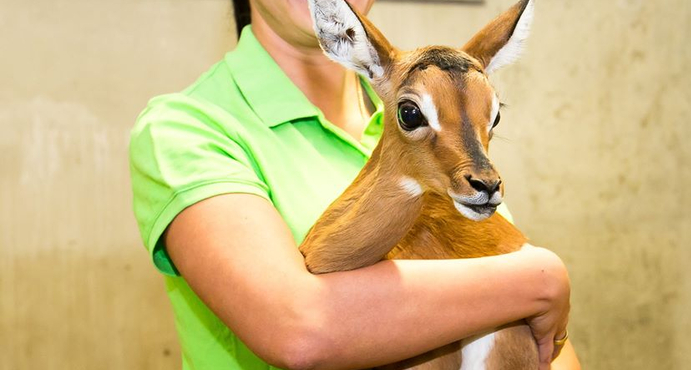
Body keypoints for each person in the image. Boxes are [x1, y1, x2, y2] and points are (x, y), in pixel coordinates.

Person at [129, 0, 580, 369]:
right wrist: (541, 279)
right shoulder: (186, 128)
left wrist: (528, 287)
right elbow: (299, 330)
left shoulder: (449, 134)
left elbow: (543, 345)